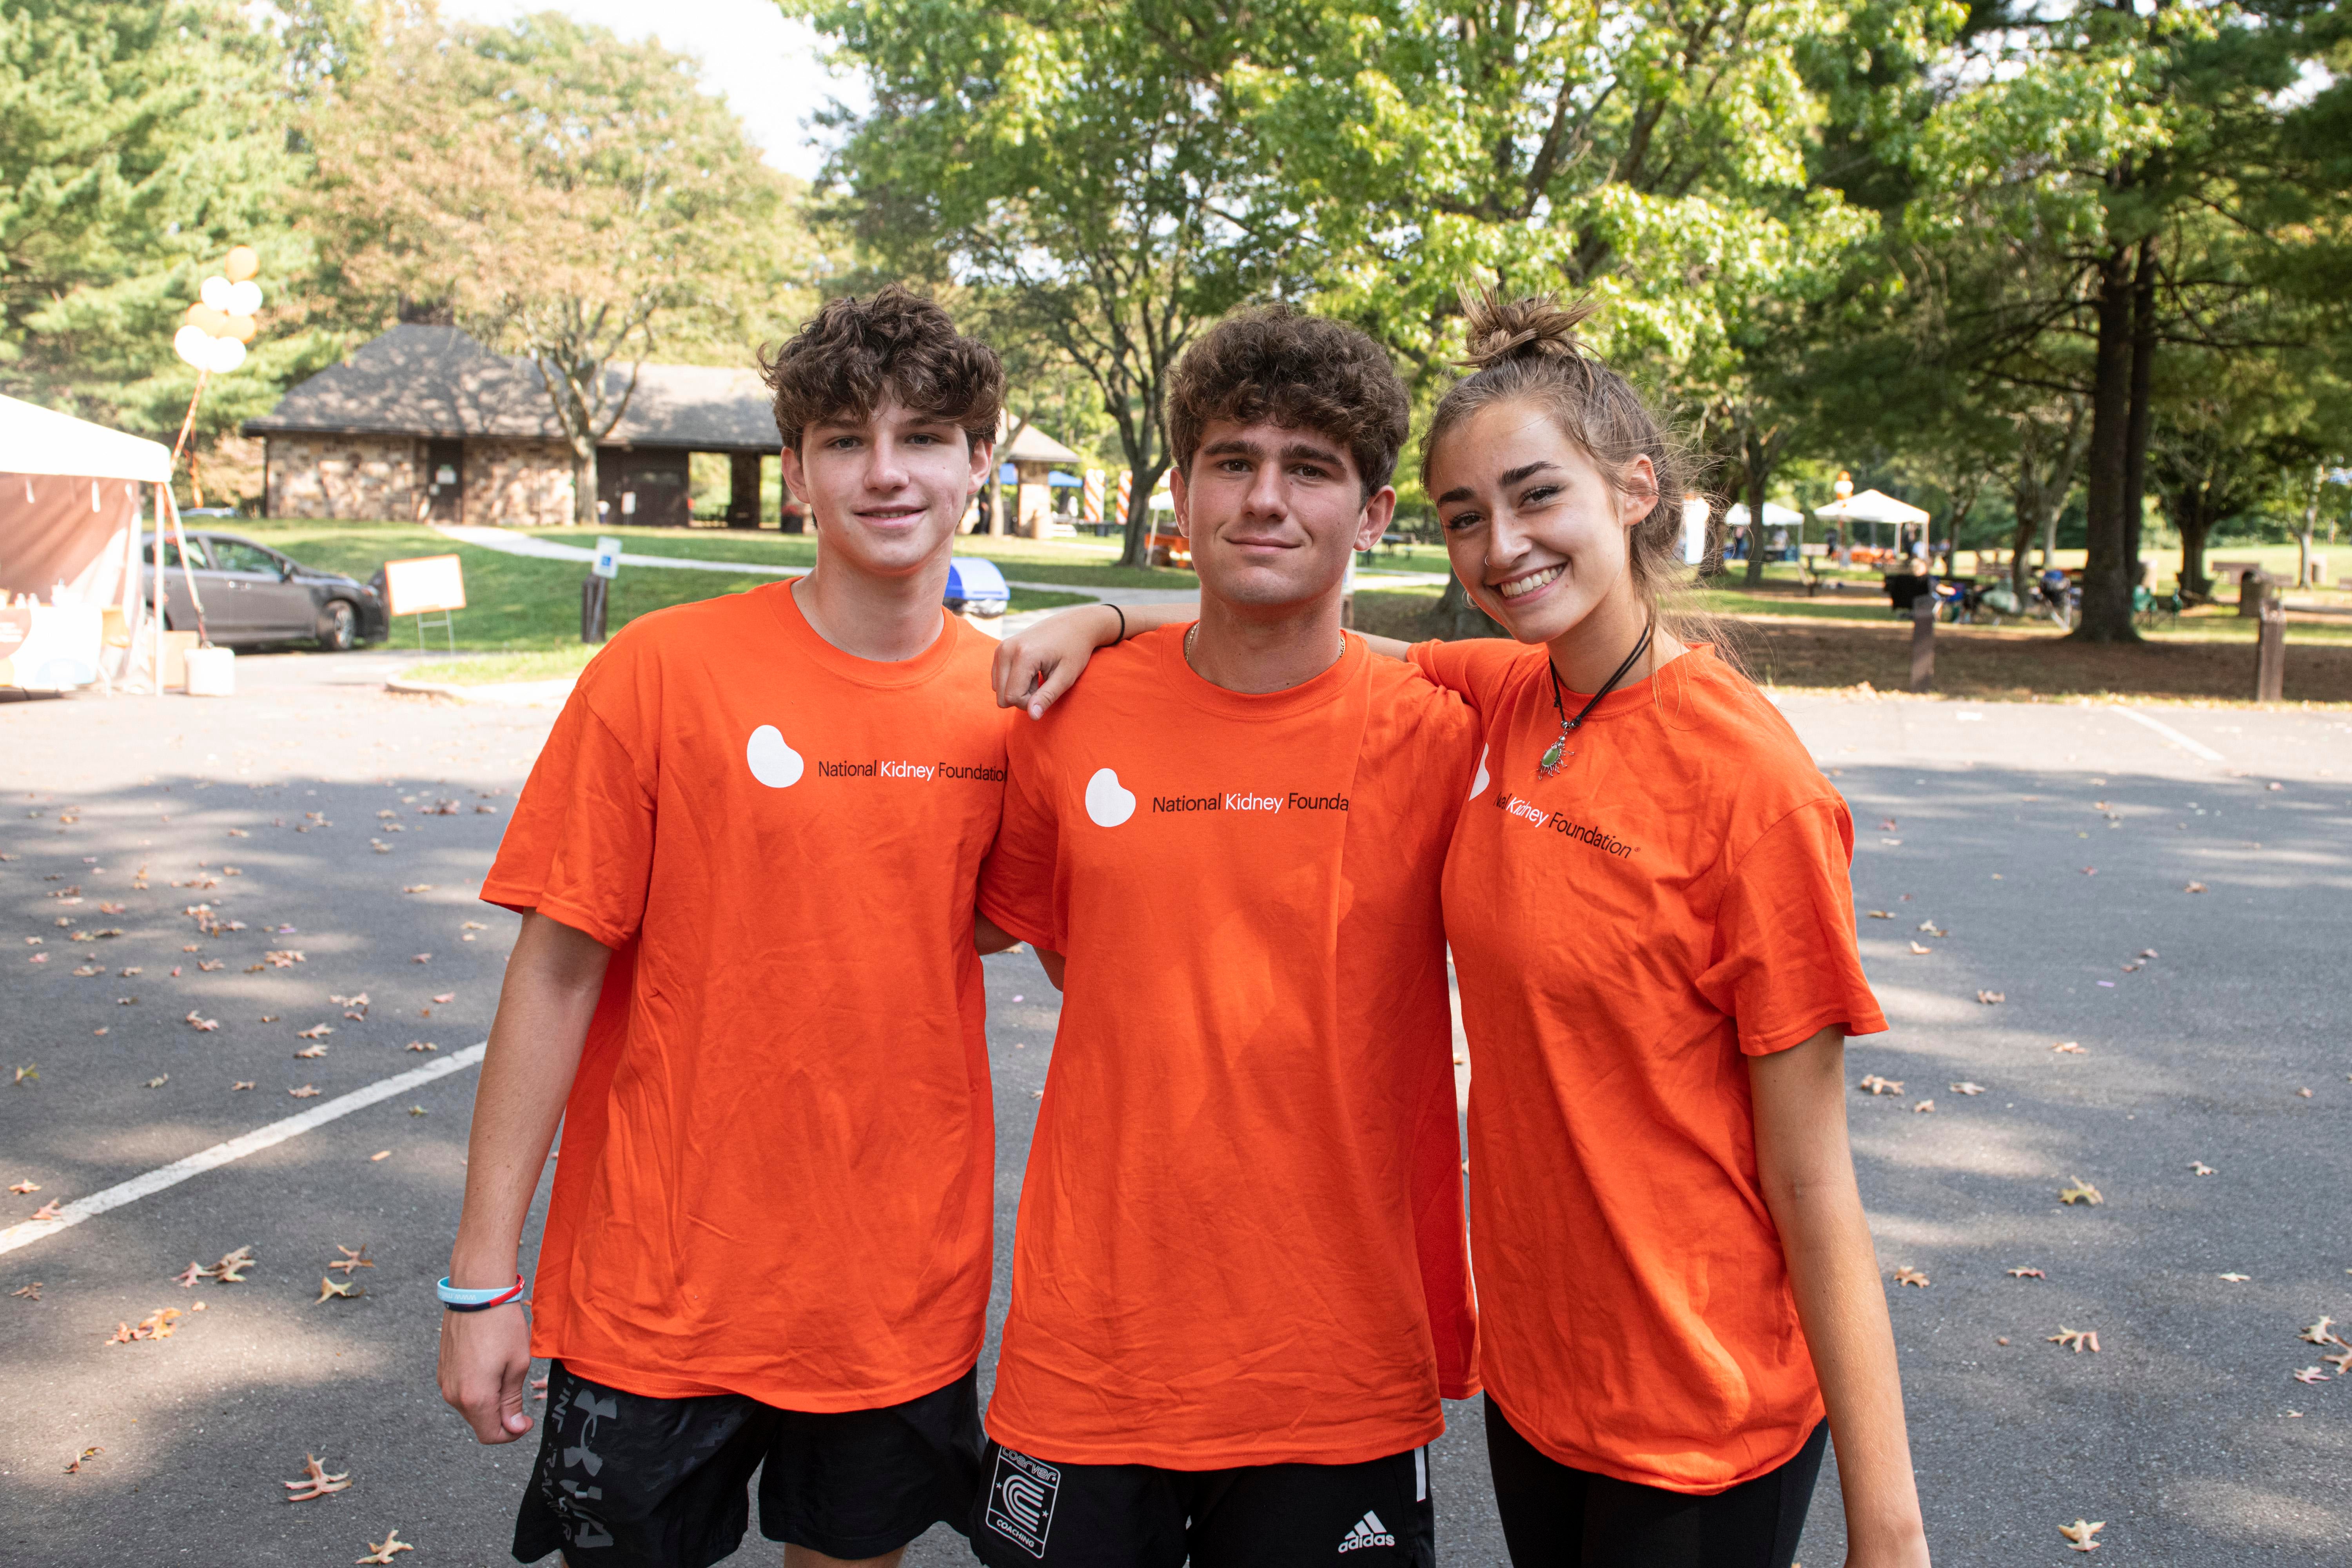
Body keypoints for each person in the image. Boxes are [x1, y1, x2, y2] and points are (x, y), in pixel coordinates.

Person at [996, 291, 1930, 1568]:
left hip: (1705, 1395)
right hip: (1543, 1389)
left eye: (1539, 496)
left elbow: (1818, 1179)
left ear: (1635, 490)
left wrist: (1889, 1528)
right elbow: (1301, 632)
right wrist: (1102, 618)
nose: (1505, 545)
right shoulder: (1509, 699)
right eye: (1468, 518)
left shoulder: (1751, 784)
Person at [439, 285, 1020, 1568]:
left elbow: (962, 925)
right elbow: (553, 972)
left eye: (925, 437)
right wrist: (483, 1280)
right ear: (798, 463)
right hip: (659, 1286)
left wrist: (1102, 617)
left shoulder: (1012, 708)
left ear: (984, 457)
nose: (885, 473)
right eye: (842, 440)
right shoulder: (661, 671)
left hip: (892, 1296)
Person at [969, 306, 1479, 1568]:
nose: (1265, 498)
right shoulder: (1064, 718)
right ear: (1183, 493)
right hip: (1094, 1350)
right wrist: (1105, 618)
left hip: (1335, 1353)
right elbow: (1070, 945)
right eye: (1232, 462)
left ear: (1371, 515)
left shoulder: (1447, 725)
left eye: (1310, 468)